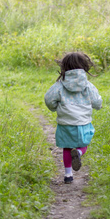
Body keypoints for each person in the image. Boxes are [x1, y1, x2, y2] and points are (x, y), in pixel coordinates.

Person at [44, 52, 102, 184]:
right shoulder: (88, 86)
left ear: (65, 67)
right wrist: (98, 106)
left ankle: (68, 175)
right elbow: (96, 100)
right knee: (84, 144)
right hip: (83, 122)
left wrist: (54, 107)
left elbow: (48, 98)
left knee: (67, 147)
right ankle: (79, 153)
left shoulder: (60, 85)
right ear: (84, 67)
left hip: (66, 123)